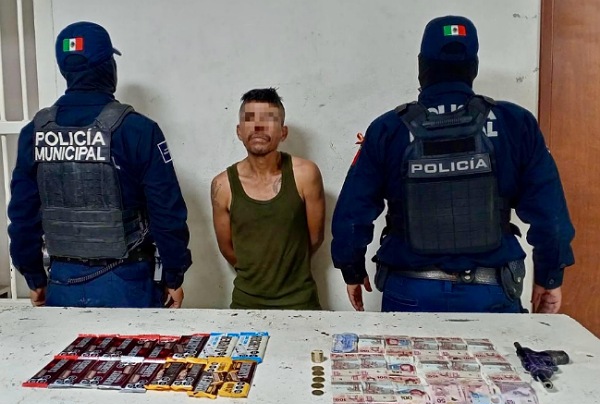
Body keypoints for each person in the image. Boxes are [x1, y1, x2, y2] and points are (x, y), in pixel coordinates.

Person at [331, 15, 575, 314]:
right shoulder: (515, 123)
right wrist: (549, 276)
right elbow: (551, 216)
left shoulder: (388, 128)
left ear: (422, 66)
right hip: (490, 290)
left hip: (411, 289)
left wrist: (351, 269)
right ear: (473, 66)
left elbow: (352, 212)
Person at [8, 22, 191, 308]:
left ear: (65, 70)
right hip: (127, 282)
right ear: (108, 67)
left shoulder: (35, 132)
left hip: (62, 282)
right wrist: (174, 275)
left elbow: (22, 216)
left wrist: (34, 278)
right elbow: (166, 210)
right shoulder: (138, 130)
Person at [211, 88, 325, 309]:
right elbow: (227, 248)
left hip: (300, 301)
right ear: (239, 131)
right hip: (246, 303)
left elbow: (315, 239)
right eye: (250, 119)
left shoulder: (305, 174)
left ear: (283, 132)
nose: (258, 126)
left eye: (268, 119)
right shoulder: (222, 185)